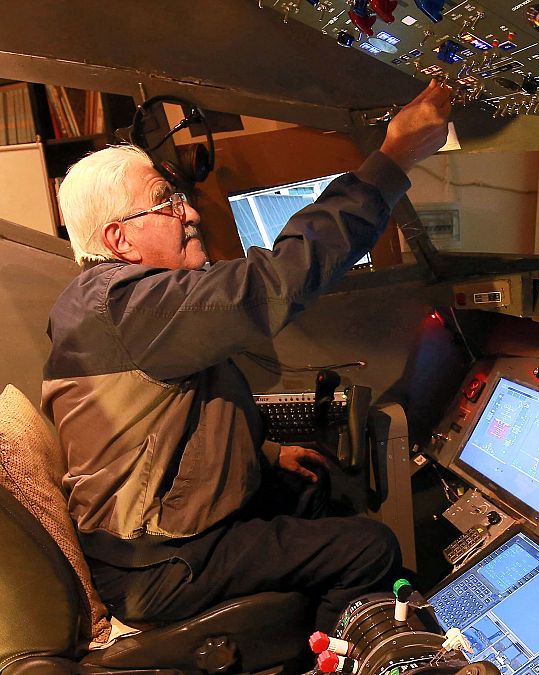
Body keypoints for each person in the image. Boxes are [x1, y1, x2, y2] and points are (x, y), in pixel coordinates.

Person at [41, 80, 453, 631]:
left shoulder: (109, 304)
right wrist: (392, 159)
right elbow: (277, 280)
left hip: (147, 540)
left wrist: (261, 454)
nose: (188, 212)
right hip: (157, 563)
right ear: (119, 240)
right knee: (370, 547)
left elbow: (165, 429)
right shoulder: (126, 304)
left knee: (310, 487)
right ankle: (340, 659)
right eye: (165, 202)